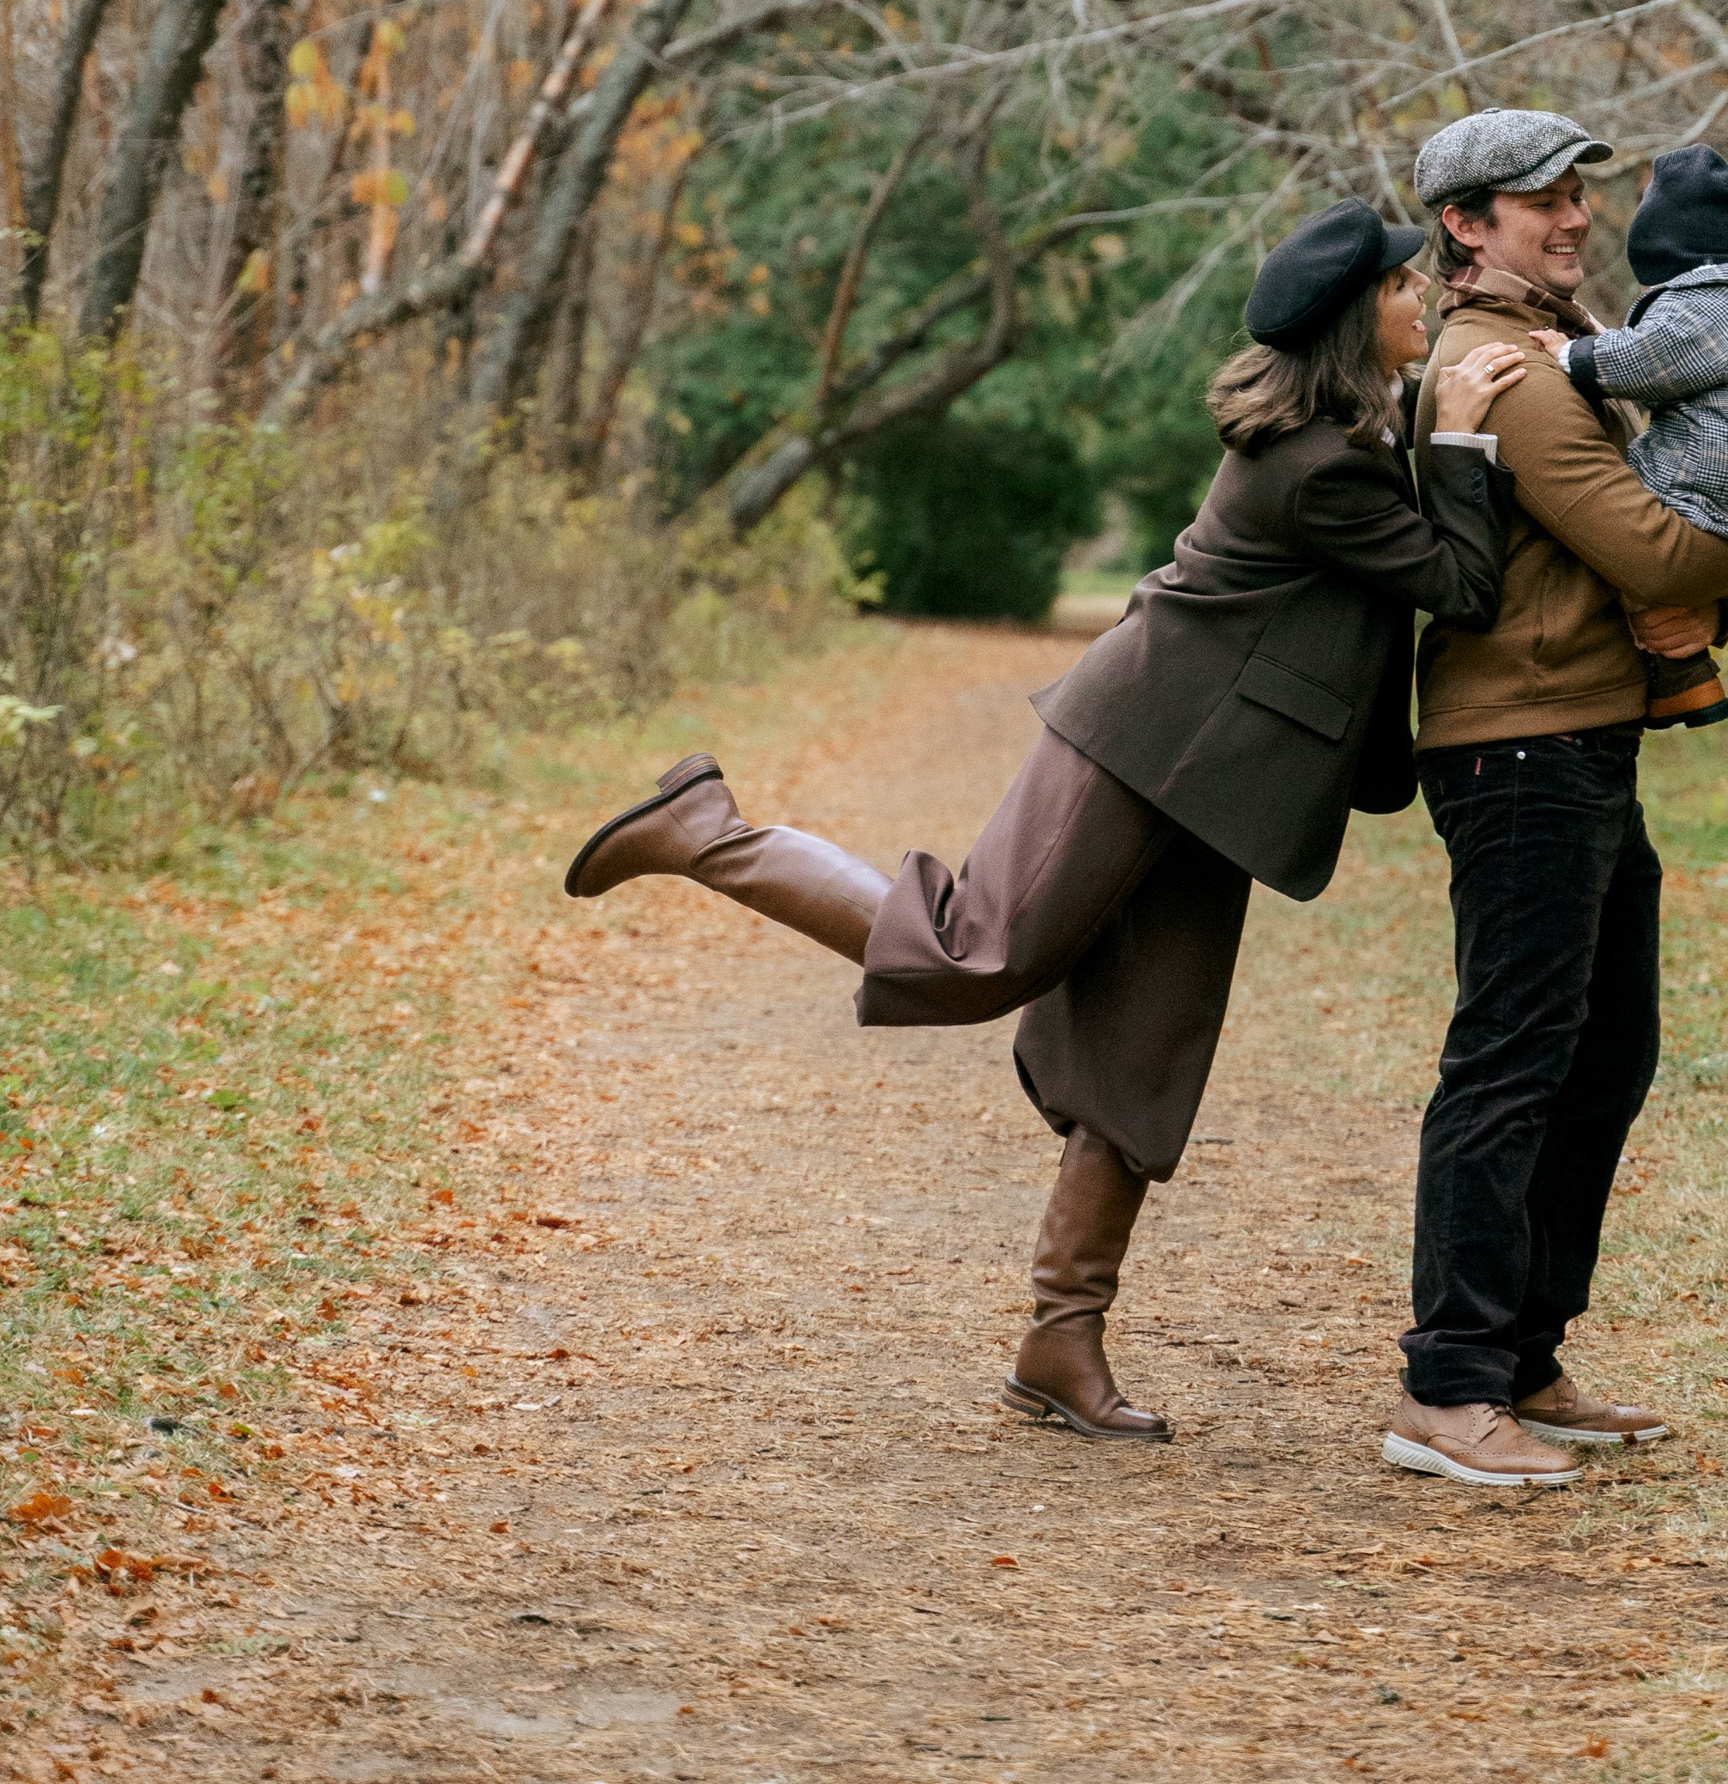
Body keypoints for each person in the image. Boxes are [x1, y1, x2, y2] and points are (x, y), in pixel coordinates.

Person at [562, 200, 1527, 1446]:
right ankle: (707, 831)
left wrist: (1429, 421)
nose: (1426, 303)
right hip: (1141, 745)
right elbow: (1460, 583)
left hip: (1220, 785)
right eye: (1408, 289)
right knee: (979, 953)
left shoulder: (1347, 422)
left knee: (1142, 1053)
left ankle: (1058, 1342)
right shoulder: (1315, 465)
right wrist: (1460, 444)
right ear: (1358, 320)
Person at [1385, 109, 1728, 1494]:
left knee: (1605, 1051)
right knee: (1512, 1055)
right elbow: (1656, 550)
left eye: (1574, 196)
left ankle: (1523, 1358)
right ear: (1464, 225)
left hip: (1581, 735)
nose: (1570, 218)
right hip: (1521, 749)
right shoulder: (1511, 374)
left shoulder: (1555, 352)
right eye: (1533, 201)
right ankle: (1449, 1385)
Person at [1541, 144, 1728, 730]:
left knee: (1614, 494)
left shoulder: (1698, 308)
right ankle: (1684, 680)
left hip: (1711, 486)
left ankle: (1670, 672)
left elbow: (1634, 366)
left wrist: (1566, 353)